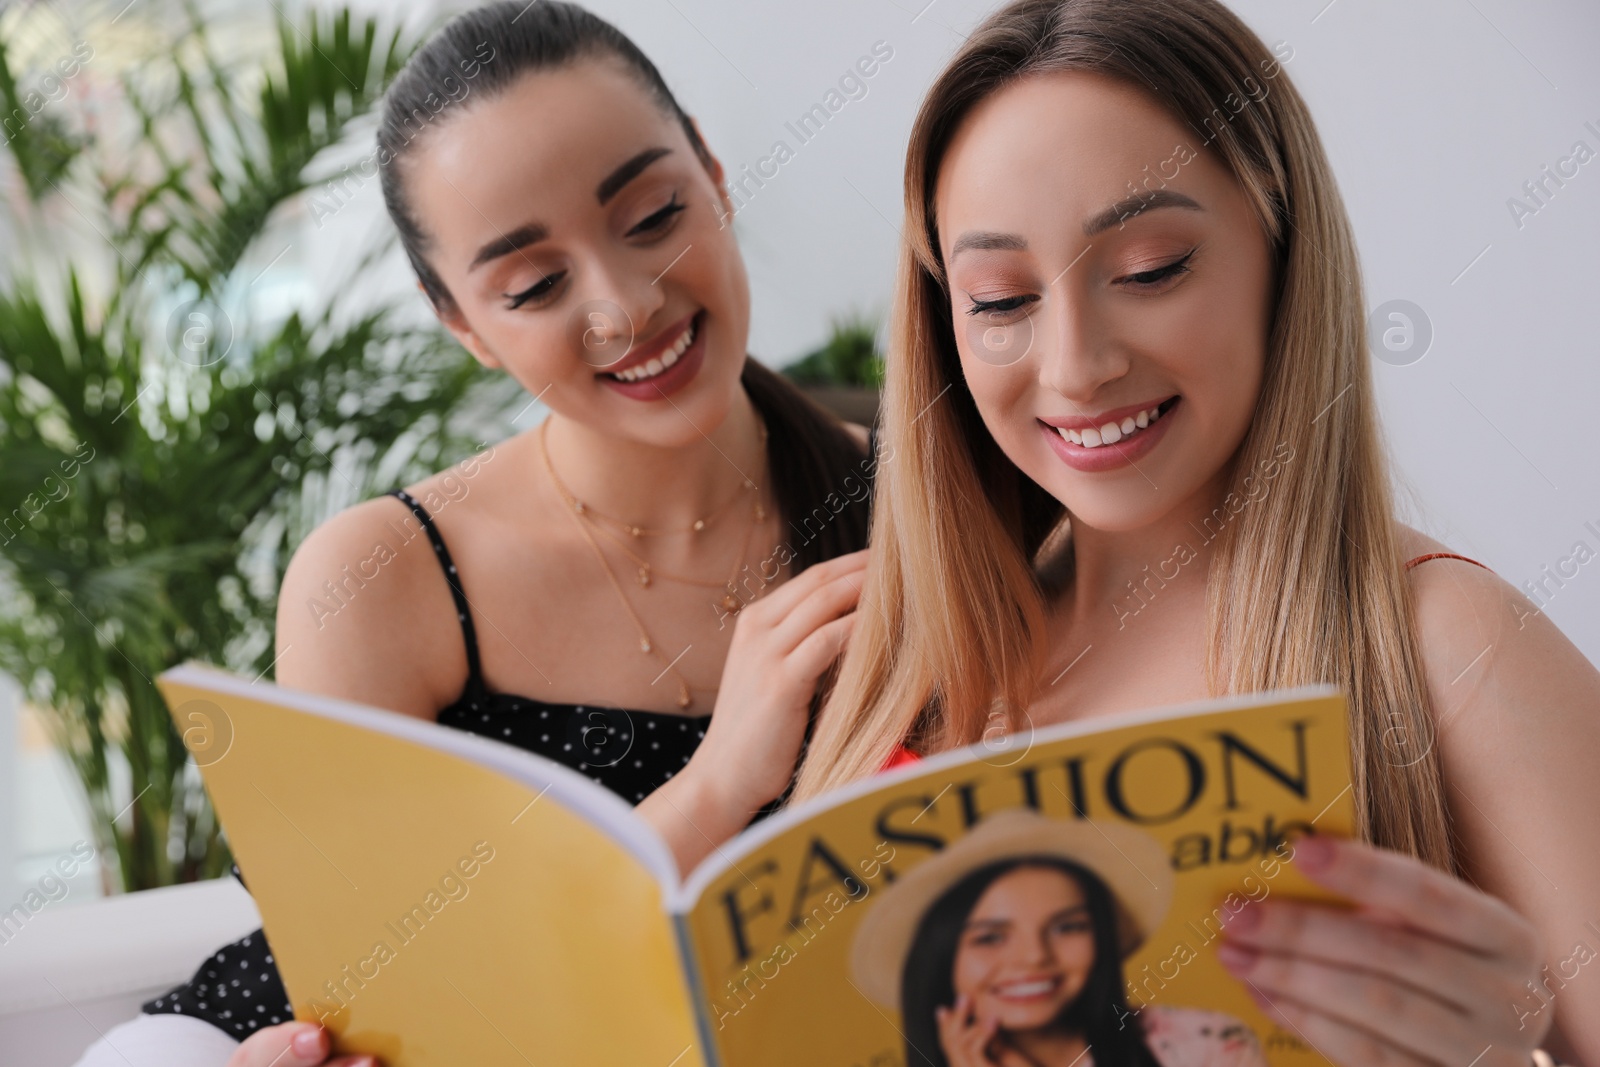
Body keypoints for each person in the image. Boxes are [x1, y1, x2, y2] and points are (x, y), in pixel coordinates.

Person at [791, 1, 1600, 1064]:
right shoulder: (908, 665)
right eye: (998, 298)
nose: (1076, 364)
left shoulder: (1450, 650)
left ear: (1282, 256)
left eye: (1150, 269)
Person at [74, 3, 876, 1065]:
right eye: (534, 284)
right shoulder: (380, 577)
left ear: (717, 176)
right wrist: (720, 782)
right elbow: (419, 988)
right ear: (461, 322)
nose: (625, 304)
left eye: (650, 215)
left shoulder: (915, 500)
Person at [851, 810, 1267, 1067]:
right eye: (991, 937)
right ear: (941, 954)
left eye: (1067, 927)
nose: (1034, 957)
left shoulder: (1209, 1046)